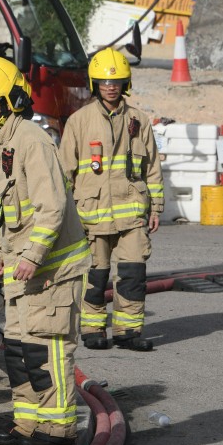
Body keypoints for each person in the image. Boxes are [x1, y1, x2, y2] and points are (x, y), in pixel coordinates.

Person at [0, 57, 92, 445]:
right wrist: (6, 254)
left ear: (9, 103)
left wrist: (33, 255)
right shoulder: (1, 143)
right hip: (24, 269)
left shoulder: (32, 141)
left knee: (47, 348)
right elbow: (11, 211)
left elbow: (51, 207)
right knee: (19, 350)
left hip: (51, 269)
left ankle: (58, 431)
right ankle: (28, 423)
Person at [59, 48, 163, 351]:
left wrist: (156, 207)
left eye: (116, 80)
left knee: (132, 274)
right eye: (104, 81)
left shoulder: (138, 121)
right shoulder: (79, 122)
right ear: (94, 83)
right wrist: (64, 215)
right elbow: (65, 172)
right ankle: (93, 329)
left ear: (125, 83)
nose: (110, 86)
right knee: (95, 276)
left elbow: (152, 168)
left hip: (131, 216)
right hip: (92, 216)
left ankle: (128, 332)